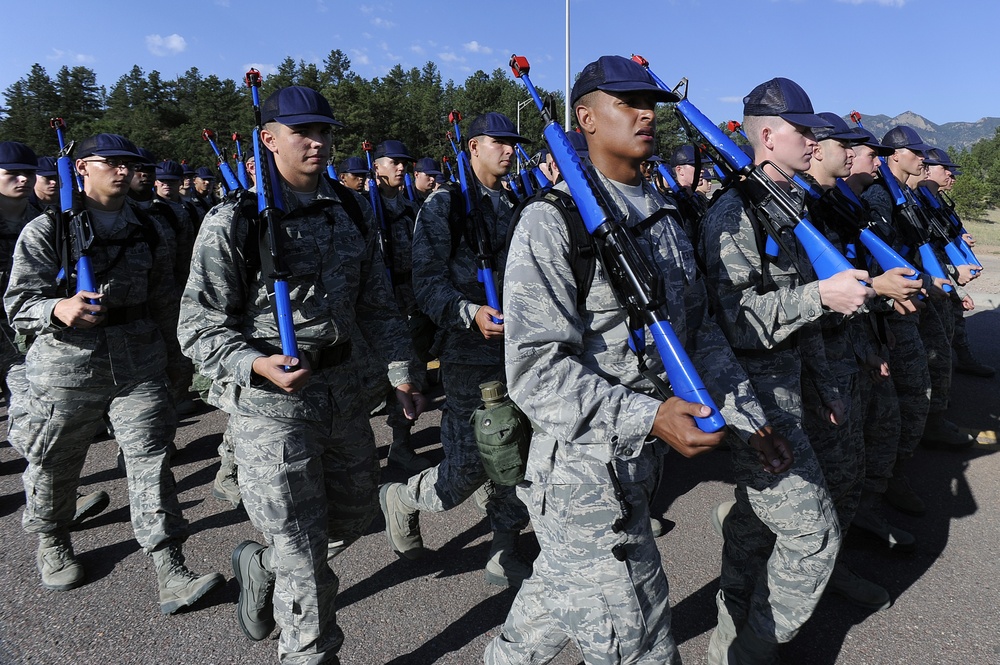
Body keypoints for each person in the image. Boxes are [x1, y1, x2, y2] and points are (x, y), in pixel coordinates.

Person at [484, 55, 787, 665]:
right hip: (581, 470)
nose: (646, 114)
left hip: (641, 464)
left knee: (553, 601)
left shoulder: (664, 213)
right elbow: (534, 371)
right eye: (627, 102)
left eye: (649, 102)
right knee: (639, 637)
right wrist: (646, 417)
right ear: (586, 117)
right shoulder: (552, 220)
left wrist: (748, 417)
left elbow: (697, 334)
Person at [178, 86, 424, 664]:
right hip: (272, 405)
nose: (317, 143)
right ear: (269, 139)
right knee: (301, 549)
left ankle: (258, 565)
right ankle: (310, 651)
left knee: (355, 515)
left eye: (324, 132)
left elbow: (377, 302)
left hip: (344, 393)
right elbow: (197, 326)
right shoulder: (235, 220)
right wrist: (255, 363)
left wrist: (402, 371)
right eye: (301, 133)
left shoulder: (349, 207)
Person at [4, 133, 223, 613]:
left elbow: (167, 297)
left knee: (151, 459)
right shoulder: (48, 230)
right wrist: (58, 307)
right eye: (111, 163)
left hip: (139, 360)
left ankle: (170, 565)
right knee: (55, 459)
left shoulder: (148, 226)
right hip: (67, 366)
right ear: (81, 168)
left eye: (128, 164)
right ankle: (53, 538)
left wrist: (177, 362)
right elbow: (19, 303)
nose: (123, 172)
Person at [697, 78, 874, 662]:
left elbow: (802, 316)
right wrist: (820, 297)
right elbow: (734, 321)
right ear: (768, 136)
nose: (815, 139)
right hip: (755, 396)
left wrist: (824, 383)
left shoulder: (785, 206)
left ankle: (733, 617)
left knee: (753, 520)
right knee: (813, 534)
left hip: (797, 384)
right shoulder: (735, 214)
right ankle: (750, 650)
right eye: (803, 131)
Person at [379, 111, 533, 589]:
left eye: (513, 142)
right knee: (467, 465)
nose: (509, 150)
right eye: (498, 142)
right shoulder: (447, 204)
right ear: (472, 148)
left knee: (516, 452)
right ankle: (405, 498)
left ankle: (505, 544)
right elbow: (425, 283)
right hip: (469, 352)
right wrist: (470, 313)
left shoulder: (516, 202)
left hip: (520, 350)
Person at [372, 139, 432, 472]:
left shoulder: (411, 209)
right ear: (376, 166)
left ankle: (401, 444)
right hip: (375, 306)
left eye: (403, 164)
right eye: (393, 162)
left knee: (412, 374)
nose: (400, 168)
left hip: (410, 303)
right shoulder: (361, 208)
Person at [921, 148, 994, 377]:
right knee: (934, 336)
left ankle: (961, 361)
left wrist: (959, 239)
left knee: (952, 321)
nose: (951, 176)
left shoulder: (937, 201)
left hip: (944, 269)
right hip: (934, 272)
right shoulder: (919, 202)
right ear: (928, 170)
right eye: (946, 170)